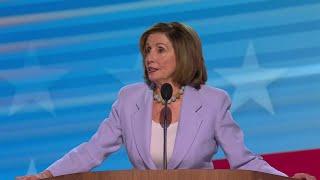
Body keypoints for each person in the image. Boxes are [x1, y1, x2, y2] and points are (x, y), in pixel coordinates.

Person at [17, 22, 316, 180]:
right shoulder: (129, 98)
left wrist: (284, 179)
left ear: (183, 54)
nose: (150, 57)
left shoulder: (213, 101)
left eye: (160, 49)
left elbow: (243, 159)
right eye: (147, 49)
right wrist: (46, 175)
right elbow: (93, 150)